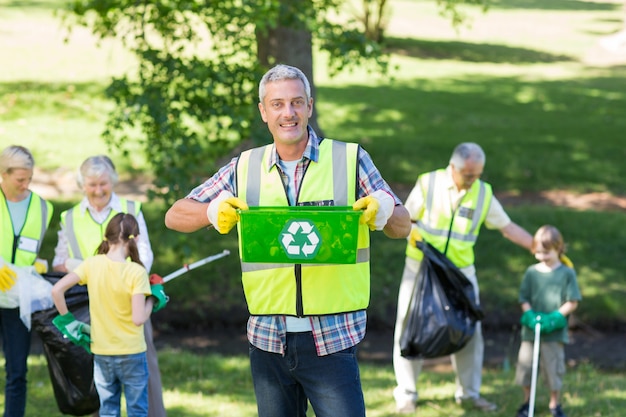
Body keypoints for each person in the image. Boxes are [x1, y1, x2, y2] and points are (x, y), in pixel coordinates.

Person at [164, 64, 411, 417]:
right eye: (277, 104)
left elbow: (403, 225)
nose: (288, 113)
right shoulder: (244, 167)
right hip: (268, 338)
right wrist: (210, 212)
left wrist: (383, 209)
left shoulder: (349, 159)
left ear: (310, 106)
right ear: (264, 111)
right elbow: (175, 215)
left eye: (296, 102)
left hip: (332, 336)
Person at [392, 142, 534, 413]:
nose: (473, 180)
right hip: (423, 270)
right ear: (453, 168)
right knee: (408, 326)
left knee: (470, 331)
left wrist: (537, 246)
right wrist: (413, 233)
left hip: (460, 276)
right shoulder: (429, 183)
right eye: (469, 175)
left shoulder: (483, 193)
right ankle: (407, 394)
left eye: (478, 174)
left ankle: (469, 394)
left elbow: (507, 227)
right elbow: (404, 219)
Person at [52, 155, 167, 417]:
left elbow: (145, 253)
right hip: (92, 305)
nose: (98, 190)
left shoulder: (130, 208)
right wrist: (96, 271)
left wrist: (125, 279)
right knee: (96, 373)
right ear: (83, 185)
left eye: (103, 183)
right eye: (92, 185)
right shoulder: (69, 218)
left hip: (131, 297)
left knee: (144, 367)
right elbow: (59, 262)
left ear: (112, 181)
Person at [0, 145, 53, 417]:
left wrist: (37, 265)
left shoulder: (43, 208)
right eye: (20, 179)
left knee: (17, 372)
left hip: (16, 300)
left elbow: (29, 250)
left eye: (29, 179)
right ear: (3, 174)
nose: (25, 185)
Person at [514, 225, 581, 417]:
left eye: (547, 252)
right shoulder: (531, 272)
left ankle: (554, 404)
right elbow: (523, 298)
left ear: (559, 249)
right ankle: (527, 403)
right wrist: (529, 315)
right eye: (538, 252)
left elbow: (573, 301)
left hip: (554, 333)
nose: (542, 256)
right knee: (526, 368)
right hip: (531, 331)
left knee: (553, 370)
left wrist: (556, 317)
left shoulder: (567, 273)